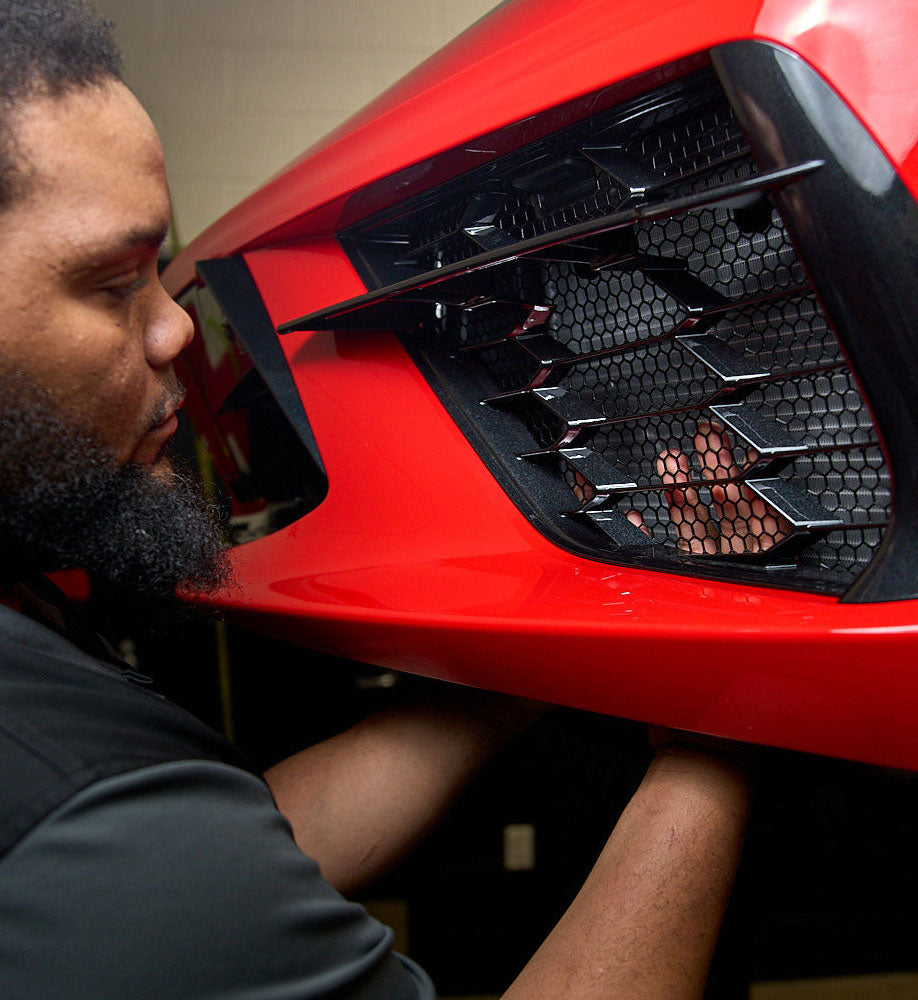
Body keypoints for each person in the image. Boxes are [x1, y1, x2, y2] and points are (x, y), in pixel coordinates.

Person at [0, 2, 751, 996]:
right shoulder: (65, 805)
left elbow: (222, 855)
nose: (177, 331)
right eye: (112, 282)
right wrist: (723, 713)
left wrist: (537, 658)